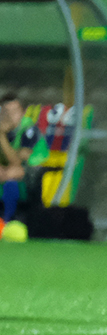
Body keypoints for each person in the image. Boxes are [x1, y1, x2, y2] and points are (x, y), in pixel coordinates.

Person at [0, 92, 37, 241]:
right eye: (7, 112)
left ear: (22, 112)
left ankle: (7, 221)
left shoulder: (29, 130)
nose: (11, 117)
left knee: (15, 173)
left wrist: (0, 135)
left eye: (14, 112)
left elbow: (16, 161)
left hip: (29, 175)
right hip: (5, 172)